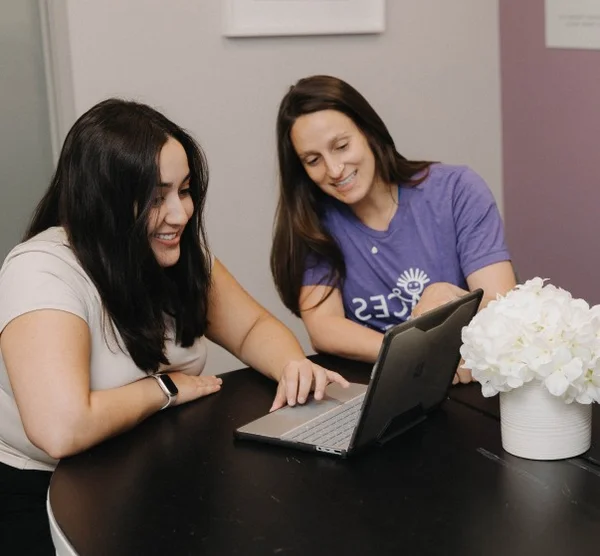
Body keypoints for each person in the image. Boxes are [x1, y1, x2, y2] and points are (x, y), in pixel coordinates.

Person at [0, 98, 348, 554]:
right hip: (43, 491)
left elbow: (250, 329)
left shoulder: (178, 256)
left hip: (143, 469)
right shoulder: (41, 271)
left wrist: (291, 363)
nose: (181, 214)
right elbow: (60, 429)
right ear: (103, 200)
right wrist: (164, 390)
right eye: (157, 196)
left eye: (184, 190)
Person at [271, 75, 516, 379]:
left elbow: (502, 307)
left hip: (469, 381)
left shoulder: (457, 191)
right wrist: (415, 354)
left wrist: (443, 297)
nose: (334, 170)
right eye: (313, 160)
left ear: (369, 132)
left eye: (342, 146)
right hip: (384, 385)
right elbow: (324, 328)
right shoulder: (315, 222)